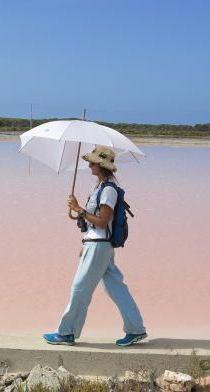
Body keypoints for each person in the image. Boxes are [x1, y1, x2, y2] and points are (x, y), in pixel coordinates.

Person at [43, 146, 147, 347]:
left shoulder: (108, 190)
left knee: (80, 288)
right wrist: (85, 235)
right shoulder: (99, 187)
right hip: (98, 245)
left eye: (91, 162)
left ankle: (67, 333)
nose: (88, 165)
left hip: (99, 246)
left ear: (100, 165)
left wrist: (78, 209)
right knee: (116, 289)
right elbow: (94, 224)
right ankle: (136, 330)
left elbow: (102, 221)